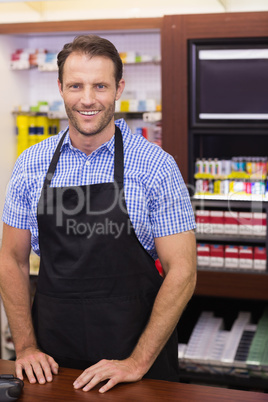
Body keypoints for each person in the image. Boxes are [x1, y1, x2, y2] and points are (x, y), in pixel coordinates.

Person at [0, 34, 196, 393]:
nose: (87, 99)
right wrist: (26, 347)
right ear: (60, 87)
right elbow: (11, 259)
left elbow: (183, 271)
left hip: (137, 367)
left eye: (100, 86)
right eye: (76, 85)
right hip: (53, 366)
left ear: (119, 88)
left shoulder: (156, 167)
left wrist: (137, 361)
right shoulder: (30, 164)